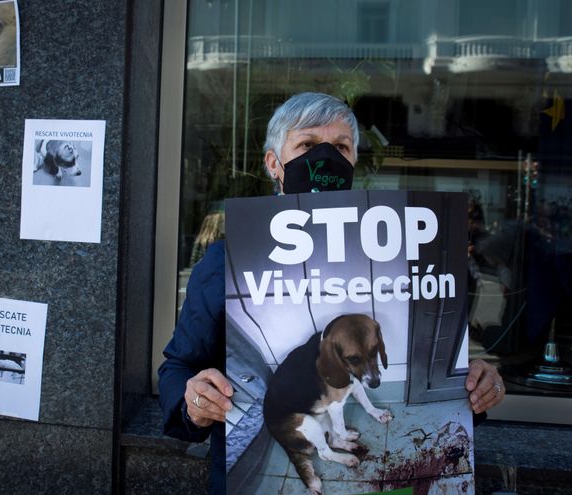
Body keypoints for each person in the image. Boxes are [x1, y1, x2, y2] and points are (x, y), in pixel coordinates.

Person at [157, 92, 506, 494]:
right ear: (274, 163)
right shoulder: (228, 258)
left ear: (353, 160)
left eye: (340, 147)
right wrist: (193, 400)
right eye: (306, 145)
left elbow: (449, 381)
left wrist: (475, 388)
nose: (325, 159)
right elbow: (178, 367)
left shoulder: (405, 252)